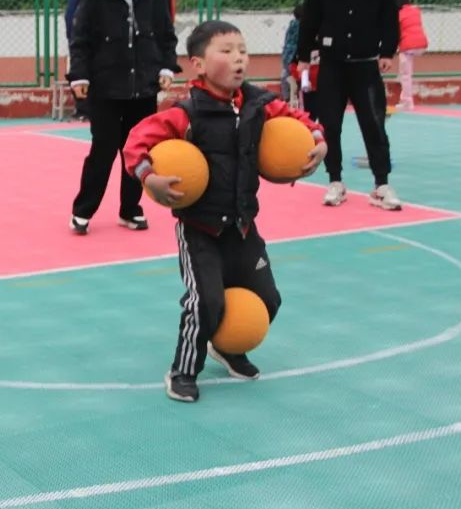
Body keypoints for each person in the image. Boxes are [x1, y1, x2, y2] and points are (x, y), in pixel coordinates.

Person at [123, 21, 326, 402]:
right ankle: (184, 369)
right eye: (227, 51)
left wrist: (319, 142)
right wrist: (148, 178)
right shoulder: (187, 113)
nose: (238, 58)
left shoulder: (259, 104)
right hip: (200, 228)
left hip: (243, 225)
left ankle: (229, 345)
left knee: (269, 300)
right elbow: (137, 142)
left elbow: (303, 121)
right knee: (206, 302)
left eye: (243, 51)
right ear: (198, 64)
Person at [67, 0, 179, 236]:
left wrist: (167, 68)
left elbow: (166, 35)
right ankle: (83, 210)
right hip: (104, 89)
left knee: (138, 151)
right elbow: (81, 40)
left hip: (143, 89)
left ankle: (131, 210)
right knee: (102, 152)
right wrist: (79, 75)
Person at [298, 0, 401, 210]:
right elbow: (310, 15)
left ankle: (381, 184)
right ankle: (335, 181)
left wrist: (387, 50)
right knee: (330, 124)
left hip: (367, 64)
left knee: (374, 123)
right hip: (332, 64)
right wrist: (303, 56)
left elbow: (390, 12)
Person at [58, 0, 91, 122]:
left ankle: (83, 110)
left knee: (78, 73)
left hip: (79, 40)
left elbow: (71, 15)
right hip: (86, 38)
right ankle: (85, 110)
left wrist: (71, 37)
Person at [396, 0, 428, 111]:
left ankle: (407, 103)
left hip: (408, 46)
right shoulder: (416, 11)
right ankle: (403, 94)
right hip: (422, 43)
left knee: (406, 75)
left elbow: (396, 32)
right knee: (405, 72)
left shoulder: (398, 14)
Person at [281, 5, 303, 103]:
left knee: (287, 76)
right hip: (295, 57)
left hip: (287, 56)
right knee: (294, 77)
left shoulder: (292, 25)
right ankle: (293, 97)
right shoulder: (301, 26)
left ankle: (287, 98)